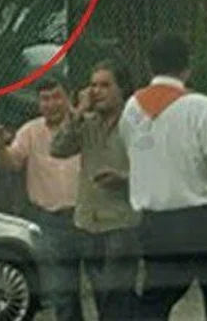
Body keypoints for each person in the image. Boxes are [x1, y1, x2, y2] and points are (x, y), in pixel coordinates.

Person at [119, 33, 207, 321]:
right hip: (205, 223)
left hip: (157, 225)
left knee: (155, 303)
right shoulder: (200, 107)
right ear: (187, 66)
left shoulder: (131, 110)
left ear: (149, 65)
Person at [49, 60, 141, 321]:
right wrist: (76, 113)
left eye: (105, 85)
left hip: (121, 224)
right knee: (100, 295)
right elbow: (57, 149)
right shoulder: (86, 123)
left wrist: (123, 179)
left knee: (117, 300)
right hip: (88, 223)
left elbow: (156, 171)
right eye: (93, 85)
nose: (97, 91)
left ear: (121, 89)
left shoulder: (137, 124)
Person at [0, 76, 84, 321]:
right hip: (52, 222)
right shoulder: (31, 131)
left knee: (104, 289)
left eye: (56, 97)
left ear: (69, 97)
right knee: (64, 293)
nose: (51, 104)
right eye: (45, 99)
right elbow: (10, 163)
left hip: (89, 218)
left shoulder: (86, 124)